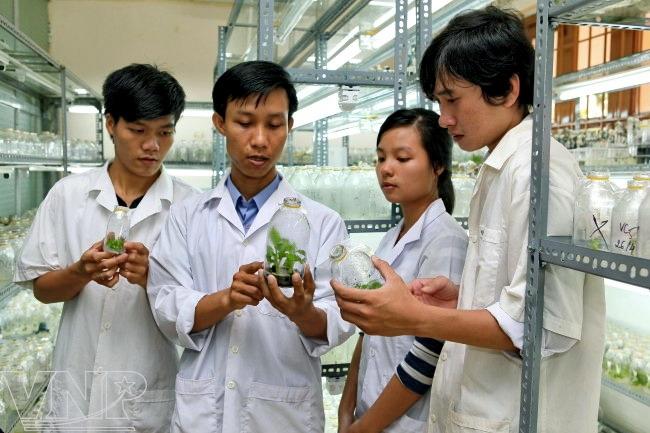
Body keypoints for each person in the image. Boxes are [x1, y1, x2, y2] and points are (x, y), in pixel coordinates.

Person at [332, 7, 605, 433]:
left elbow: (546, 326)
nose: (444, 118)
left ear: (507, 89)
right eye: (439, 102)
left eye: (452, 98)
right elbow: (517, 297)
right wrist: (462, 297)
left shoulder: (540, 172)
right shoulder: (502, 167)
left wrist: (415, 318)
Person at [146, 60, 355, 433]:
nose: (260, 139)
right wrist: (227, 299)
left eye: (274, 125)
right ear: (219, 124)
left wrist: (302, 311)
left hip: (282, 416)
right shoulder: (187, 216)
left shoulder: (323, 222)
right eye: (244, 123)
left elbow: (339, 318)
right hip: (202, 415)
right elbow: (165, 302)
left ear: (289, 126)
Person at [14, 64, 198, 432]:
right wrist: (80, 272)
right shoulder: (68, 195)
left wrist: (154, 280)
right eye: (138, 130)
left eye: (165, 132)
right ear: (111, 123)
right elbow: (42, 290)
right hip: (75, 391)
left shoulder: (191, 207)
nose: (153, 145)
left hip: (146, 394)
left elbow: (199, 312)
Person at [337, 108, 468, 433]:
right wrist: (346, 408)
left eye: (402, 158)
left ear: (437, 165)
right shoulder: (391, 238)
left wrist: (365, 427)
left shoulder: (445, 241)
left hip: (407, 424)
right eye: (381, 158)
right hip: (369, 416)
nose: (386, 169)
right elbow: (369, 333)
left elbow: (428, 354)